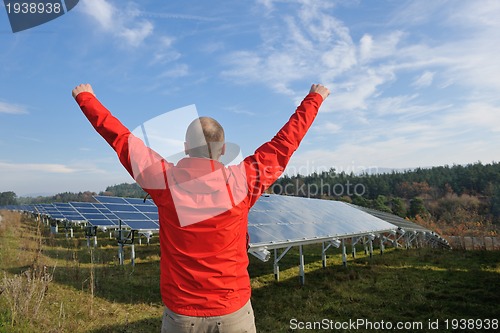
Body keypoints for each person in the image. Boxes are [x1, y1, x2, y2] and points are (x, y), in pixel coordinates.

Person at [72, 83, 330, 332]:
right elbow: (283, 144)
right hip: (233, 313)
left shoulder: (163, 181)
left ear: (186, 148)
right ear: (224, 149)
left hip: (181, 317)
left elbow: (121, 139)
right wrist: (313, 99)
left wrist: (87, 98)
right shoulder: (244, 181)